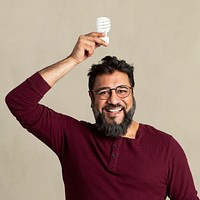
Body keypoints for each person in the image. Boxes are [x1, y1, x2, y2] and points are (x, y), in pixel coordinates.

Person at [5, 32, 199, 200]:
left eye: (122, 90)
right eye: (104, 92)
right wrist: (73, 60)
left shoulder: (165, 147)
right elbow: (19, 102)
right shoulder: (72, 137)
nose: (114, 100)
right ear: (92, 98)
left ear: (132, 94)